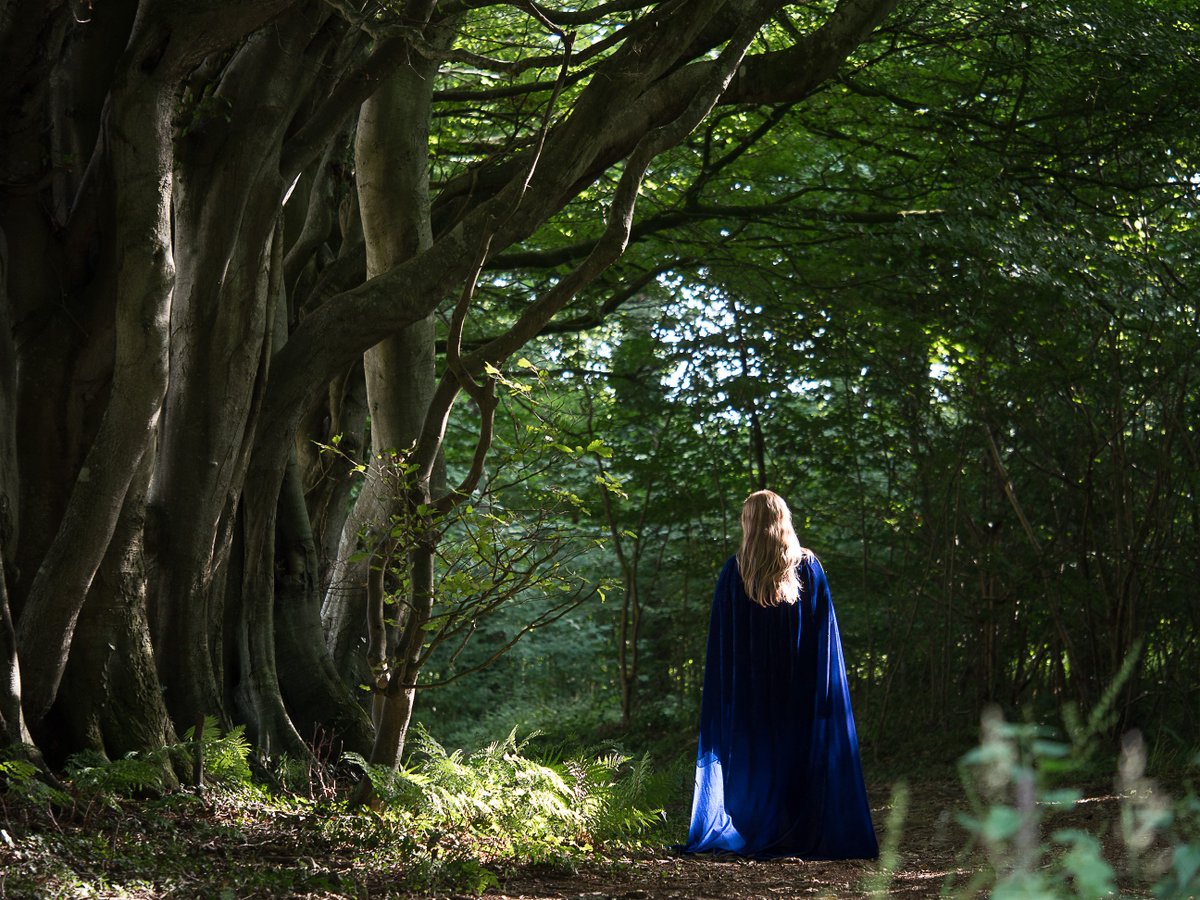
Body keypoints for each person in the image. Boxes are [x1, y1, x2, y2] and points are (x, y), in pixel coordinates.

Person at [683, 489, 878, 859]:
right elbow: (825, 641)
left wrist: (729, 698)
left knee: (756, 762)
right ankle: (793, 834)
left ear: (749, 524)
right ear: (783, 519)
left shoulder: (735, 572)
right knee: (796, 762)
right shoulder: (806, 568)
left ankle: (762, 831)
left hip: (752, 697)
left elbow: (723, 649)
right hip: (798, 694)